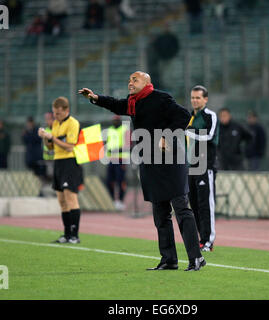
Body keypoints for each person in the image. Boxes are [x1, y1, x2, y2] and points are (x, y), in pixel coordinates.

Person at [78, 71, 206, 271]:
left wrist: (166, 136)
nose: (130, 82)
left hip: (172, 160)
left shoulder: (161, 98)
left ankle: (196, 257)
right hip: (149, 160)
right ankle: (169, 259)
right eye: (129, 79)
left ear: (147, 82)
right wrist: (96, 98)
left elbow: (184, 116)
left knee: (181, 208)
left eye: (134, 79)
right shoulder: (133, 101)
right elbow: (117, 104)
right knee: (159, 212)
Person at [38, 97, 82, 244]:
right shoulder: (56, 124)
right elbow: (51, 147)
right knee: (61, 200)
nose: (55, 116)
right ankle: (66, 234)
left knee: (71, 198)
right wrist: (45, 138)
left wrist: (52, 137)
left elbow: (70, 146)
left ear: (66, 110)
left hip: (70, 162)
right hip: (58, 162)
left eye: (58, 113)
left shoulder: (73, 123)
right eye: (54, 113)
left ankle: (75, 235)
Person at [185, 85, 219, 252]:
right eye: (192, 97)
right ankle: (201, 238)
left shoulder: (209, 115)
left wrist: (190, 132)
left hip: (206, 165)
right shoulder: (190, 116)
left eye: (198, 98)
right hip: (191, 165)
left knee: (206, 204)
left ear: (205, 99)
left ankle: (208, 240)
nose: (194, 100)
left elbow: (210, 136)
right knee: (195, 204)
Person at [105, 115, 131, 211]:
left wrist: (116, 150)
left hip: (121, 159)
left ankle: (120, 200)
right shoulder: (110, 130)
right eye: (113, 120)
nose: (114, 122)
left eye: (116, 120)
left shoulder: (125, 130)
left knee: (120, 181)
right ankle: (113, 200)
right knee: (109, 181)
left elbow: (128, 145)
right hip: (111, 159)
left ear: (120, 121)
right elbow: (107, 144)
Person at [42, 112, 55, 180]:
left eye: (49, 119)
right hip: (47, 158)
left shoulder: (56, 130)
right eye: (46, 119)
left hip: (55, 158)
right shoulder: (45, 130)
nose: (47, 121)